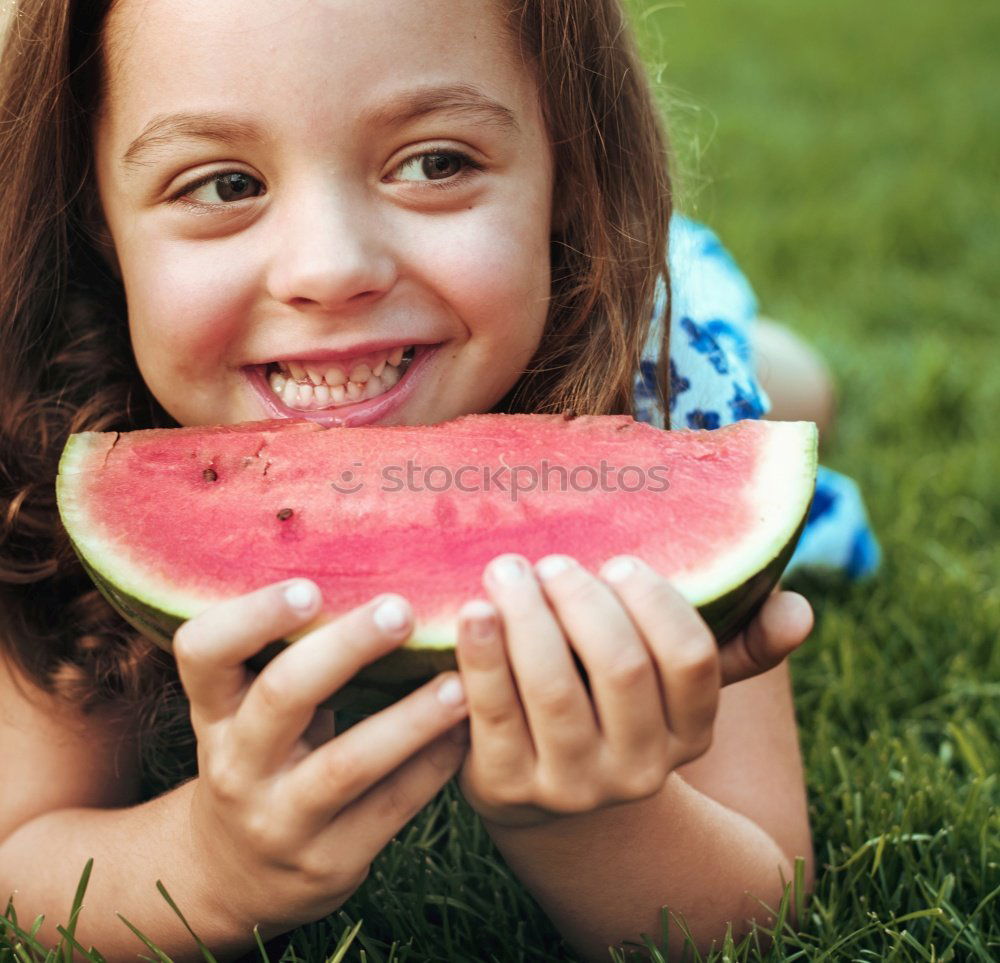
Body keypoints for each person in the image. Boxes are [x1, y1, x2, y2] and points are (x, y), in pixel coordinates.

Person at [0, 1, 877, 960]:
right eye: (225, 183)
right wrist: (209, 867)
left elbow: (769, 888)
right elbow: (25, 847)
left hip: (639, 302)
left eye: (435, 163)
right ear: (91, 216)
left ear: (568, 173)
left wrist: (590, 823)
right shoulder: (55, 429)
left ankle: (772, 349)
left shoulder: (673, 387)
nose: (330, 269)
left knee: (792, 385)